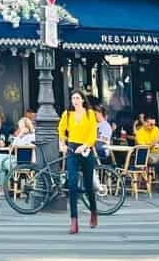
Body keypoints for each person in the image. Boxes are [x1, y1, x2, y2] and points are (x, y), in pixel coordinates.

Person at [58, 89, 98, 234]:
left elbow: (93, 133)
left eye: (77, 98)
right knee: (73, 184)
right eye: (73, 98)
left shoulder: (90, 113)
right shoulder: (67, 114)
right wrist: (62, 143)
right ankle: (74, 221)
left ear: (82, 100)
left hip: (86, 149)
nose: (75, 100)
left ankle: (93, 211)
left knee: (88, 185)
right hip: (72, 149)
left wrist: (85, 145)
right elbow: (61, 130)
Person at [0, 116, 35, 197]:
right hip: (19, 160)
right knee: (0, 160)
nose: (18, 130)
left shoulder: (28, 136)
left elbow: (14, 145)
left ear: (25, 128)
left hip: (22, 163)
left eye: (19, 127)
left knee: (0, 160)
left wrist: (20, 135)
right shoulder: (26, 136)